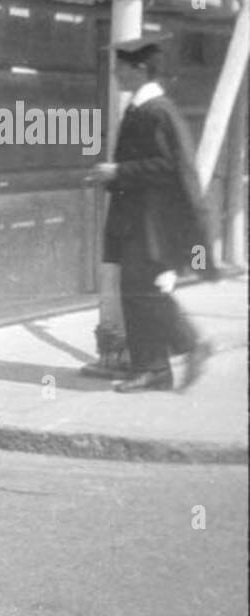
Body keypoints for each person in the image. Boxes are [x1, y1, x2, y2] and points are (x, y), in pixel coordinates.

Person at [84, 34, 215, 392]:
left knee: (143, 291)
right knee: (137, 291)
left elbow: (168, 165)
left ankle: (189, 345)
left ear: (140, 70)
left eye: (121, 68)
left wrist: (118, 172)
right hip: (138, 219)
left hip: (152, 222)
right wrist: (114, 173)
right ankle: (154, 368)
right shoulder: (141, 108)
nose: (115, 75)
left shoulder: (156, 111)